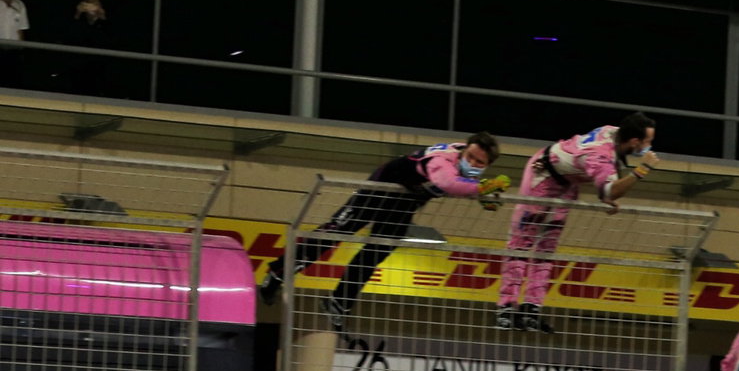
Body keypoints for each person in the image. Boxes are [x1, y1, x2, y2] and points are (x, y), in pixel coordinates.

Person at [259, 133, 507, 329]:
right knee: (334, 234)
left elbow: (460, 184)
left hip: (405, 201)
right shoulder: (443, 160)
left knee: (378, 251)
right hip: (380, 188)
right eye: (470, 157)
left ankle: (339, 303)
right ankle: (277, 273)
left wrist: (479, 191)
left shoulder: (465, 168)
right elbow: (447, 182)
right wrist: (480, 189)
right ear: (464, 150)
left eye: (479, 163)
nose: (472, 163)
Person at [496, 112, 659, 332]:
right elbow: (609, 188)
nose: (649, 147)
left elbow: (611, 173)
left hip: (567, 184)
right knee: (521, 243)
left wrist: (608, 196)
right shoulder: (599, 154)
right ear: (634, 141)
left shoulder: (613, 132)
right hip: (543, 175)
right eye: (647, 142)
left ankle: (531, 309)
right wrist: (643, 169)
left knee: (547, 248)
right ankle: (505, 308)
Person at [0, 0, 28, 87]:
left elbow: (21, 30)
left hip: (12, 53)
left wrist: (21, 52)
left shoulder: (19, 5)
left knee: (12, 84)